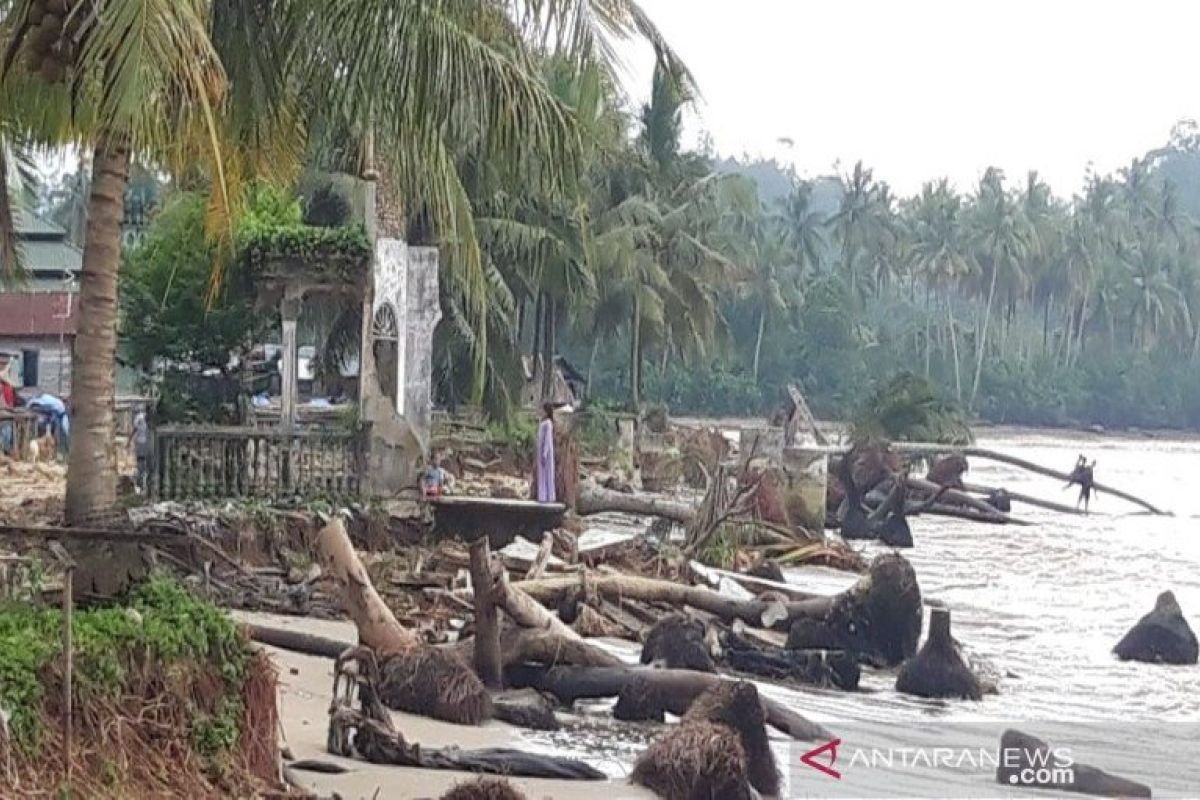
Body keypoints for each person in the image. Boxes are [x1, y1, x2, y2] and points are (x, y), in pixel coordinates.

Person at [535, 402, 557, 503]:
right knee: (542, 474)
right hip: (541, 452)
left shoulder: (548, 423)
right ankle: (542, 496)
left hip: (546, 453)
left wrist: (544, 453)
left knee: (547, 474)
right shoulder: (543, 422)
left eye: (543, 410)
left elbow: (547, 439)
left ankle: (548, 496)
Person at [132, 410, 150, 493]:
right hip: (140, 443)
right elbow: (134, 430)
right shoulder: (139, 418)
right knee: (141, 463)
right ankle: (139, 482)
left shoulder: (151, 419)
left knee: (147, 463)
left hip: (148, 443)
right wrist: (129, 441)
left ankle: (143, 482)